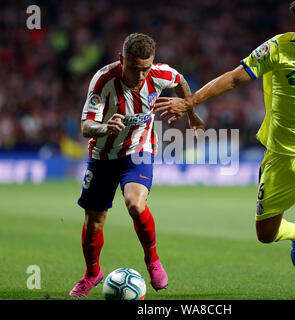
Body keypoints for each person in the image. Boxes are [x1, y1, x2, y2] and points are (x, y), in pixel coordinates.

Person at [154, 0, 295, 300]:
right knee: (265, 235)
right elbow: (233, 78)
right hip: (279, 156)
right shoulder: (277, 48)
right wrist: (189, 103)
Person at [69, 33, 204, 297]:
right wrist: (104, 126)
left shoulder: (159, 74)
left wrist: (191, 112)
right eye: (134, 68)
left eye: (146, 68)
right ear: (122, 60)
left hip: (139, 151)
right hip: (102, 156)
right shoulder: (103, 80)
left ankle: (152, 259)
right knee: (95, 221)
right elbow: (86, 126)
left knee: (135, 203)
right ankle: (92, 273)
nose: (141, 75)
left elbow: (181, 81)